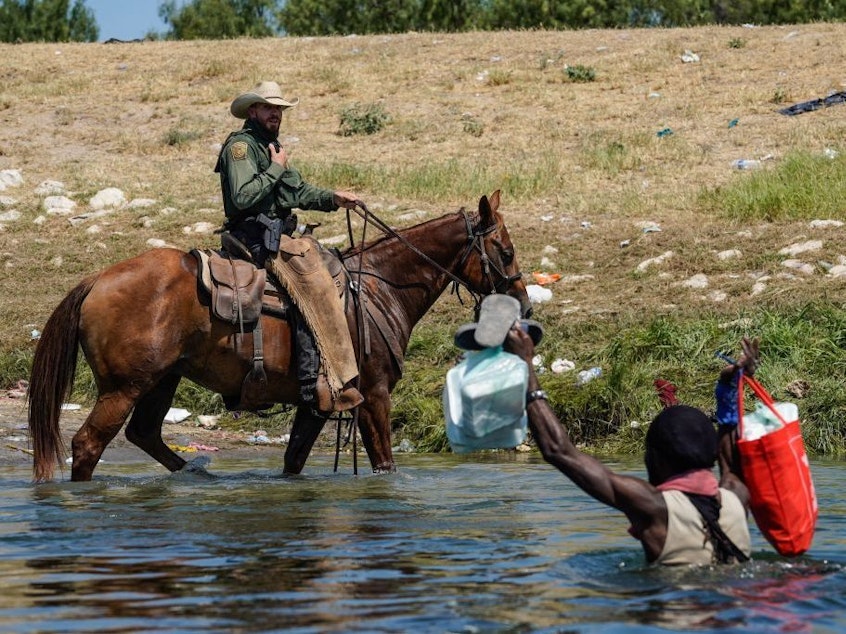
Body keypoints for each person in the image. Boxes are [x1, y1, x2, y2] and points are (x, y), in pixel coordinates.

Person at [503, 329, 759, 566]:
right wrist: (729, 385)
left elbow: (559, 451)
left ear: (656, 460)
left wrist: (525, 364)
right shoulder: (737, 495)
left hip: (676, 608)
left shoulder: (653, 507)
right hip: (736, 611)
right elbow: (729, 447)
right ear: (712, 453)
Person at [215, 80, 363, 414]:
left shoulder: (271, 145)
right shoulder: (241, 148)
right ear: (253, 110)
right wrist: (275, 168)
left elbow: (297, 192)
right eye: (270, 108)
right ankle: (313, 384)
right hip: (252, 235)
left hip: (273, 232)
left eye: (279, 109)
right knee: (313, 284)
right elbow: (242, 197)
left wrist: (333, 199)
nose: (276, 114)